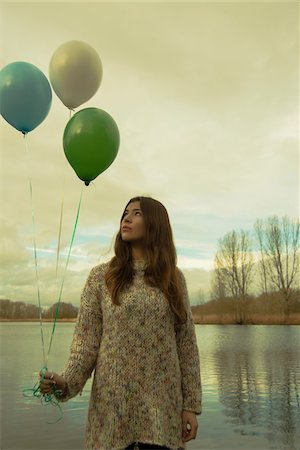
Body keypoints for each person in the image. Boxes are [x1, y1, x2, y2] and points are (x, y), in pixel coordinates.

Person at [40, 196, 202, 450]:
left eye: (136, 213)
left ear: (155, 223)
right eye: (125, 213)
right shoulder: (100, 278)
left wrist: (190, 406)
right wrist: (66, 382)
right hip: (111, 410)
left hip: (163, 410)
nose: (126, 218)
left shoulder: (173, 278)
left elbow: (186, 345)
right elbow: (86, 343)